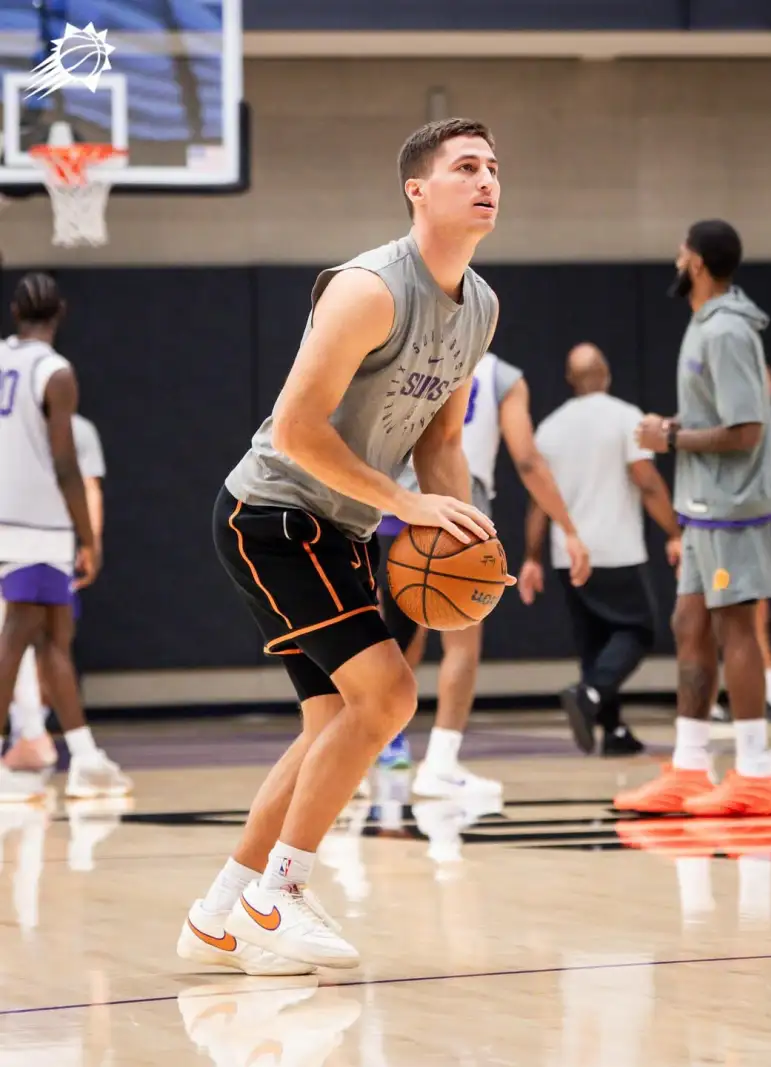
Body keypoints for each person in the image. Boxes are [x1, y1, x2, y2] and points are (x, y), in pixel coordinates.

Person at [177, 118, 512, 975]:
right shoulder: (370, 288)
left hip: (343, 521)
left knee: (334, 720)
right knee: (391, 695)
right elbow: (293, 428)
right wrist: (404, 502)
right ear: (418, 189)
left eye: (494, 168)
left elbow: (441, 437)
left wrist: (461, 519)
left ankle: (220, 913)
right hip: (274, 514)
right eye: (466, 166)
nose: (487, 180)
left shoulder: (481, 305)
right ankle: (276, 894)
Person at [614, 219, 771, 817]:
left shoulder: (728, 332)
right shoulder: (709, 323)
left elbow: (746, 432)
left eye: (681, 252)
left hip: (732, 507)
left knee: (734, 627)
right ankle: (689, 766)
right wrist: (680, 434)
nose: (675, 259)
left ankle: (756, 773)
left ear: (698, 263)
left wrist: (673, 436)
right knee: (690, 621)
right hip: (704, 504)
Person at [375, 350, 590, 796]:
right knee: (461, 640)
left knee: (393, 637)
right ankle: (441, 762)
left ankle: (378, 743)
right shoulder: (502, 375)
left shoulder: (411, 350)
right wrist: (568, 528)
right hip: (458, 508)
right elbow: (527, 459)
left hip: (397, 504)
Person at [523, 343, 682, 756]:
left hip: (566, 552)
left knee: (594, 642)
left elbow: (539, 501)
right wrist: (675, 532)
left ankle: (612, 730)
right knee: (638, 630)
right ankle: (591, 694)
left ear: (569, 380)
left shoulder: (550, 428)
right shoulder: (626, 417)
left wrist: (532, 557)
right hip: (616, 549)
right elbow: (646, 480)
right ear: (606, 373)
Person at [0, 273, 108, 802]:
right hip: (36, 521)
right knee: (19, 636)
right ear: (60, 312)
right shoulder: (54, 371)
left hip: (10, 514)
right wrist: (86, 538)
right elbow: (65, 462)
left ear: (16, 311)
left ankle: (86, 759)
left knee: (51, 636)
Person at [1, 410, 127, 798]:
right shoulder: (52, 384)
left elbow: (86, 486)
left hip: (40, 541)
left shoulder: (67, 426)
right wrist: (91, 541)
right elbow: (84, 486)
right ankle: (44, 740)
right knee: (23, 643)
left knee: (46, 643)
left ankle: (66, 748)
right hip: (33, 538)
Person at [710, 364, 771, 723]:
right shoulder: (736, 424)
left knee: (742, 608)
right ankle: (768, 691)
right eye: (766, 378)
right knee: (743, 606)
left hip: (738, 520)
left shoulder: (756, 422)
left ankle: (725, 694)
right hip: (728, 524)